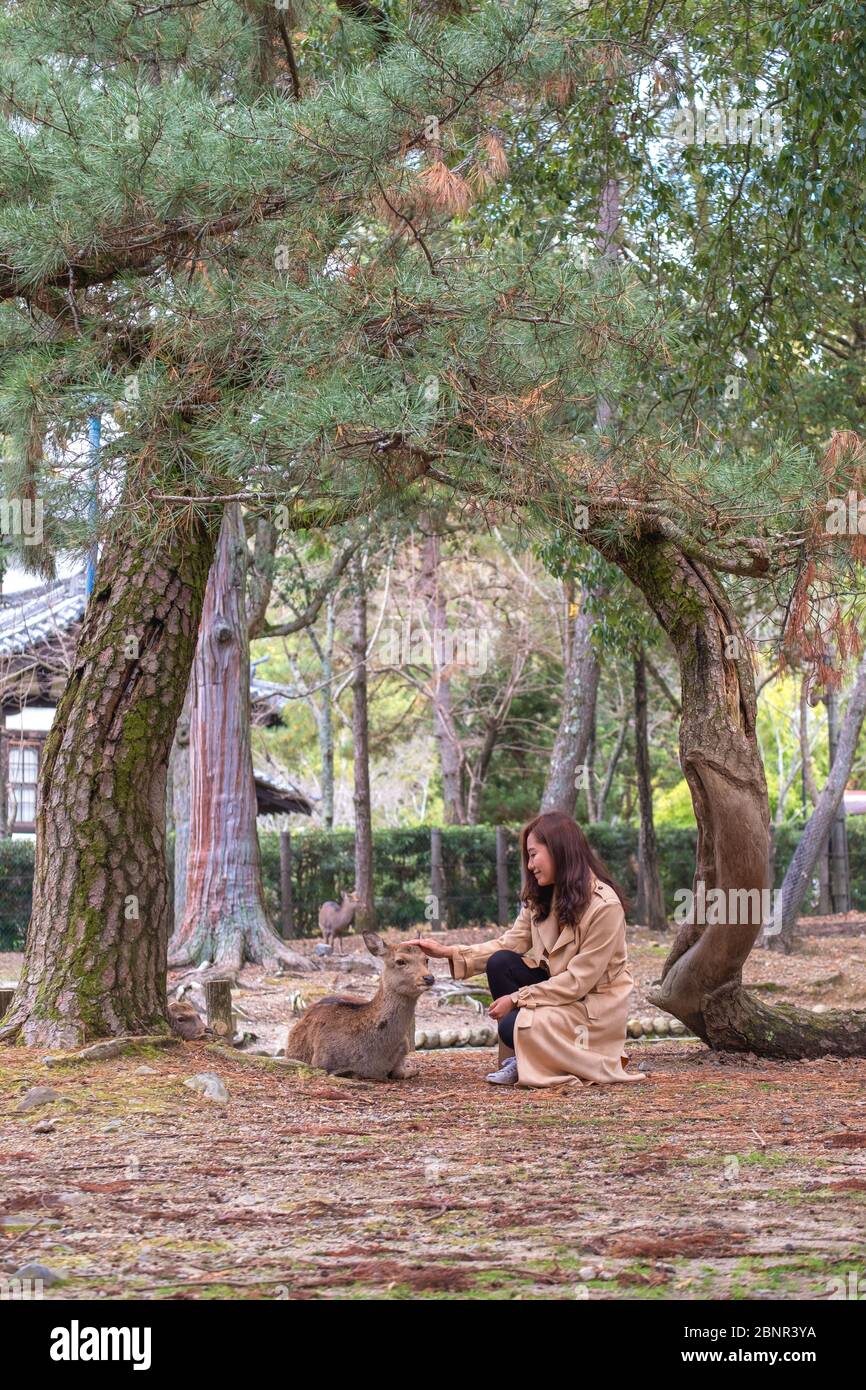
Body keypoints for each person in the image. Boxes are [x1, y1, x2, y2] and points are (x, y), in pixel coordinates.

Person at [408, 811, 648, 1089]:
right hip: (558, 993)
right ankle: (523, 1057)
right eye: (528, 857)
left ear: (559, 850)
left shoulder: (605, 906)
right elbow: (509, 944)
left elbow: (579, 981)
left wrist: (517, 998)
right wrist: (448, 952)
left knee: (512, 1026)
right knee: (501, 963)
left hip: (589, 1007)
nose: (530, 865)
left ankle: (541, 1056)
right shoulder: (542, 897)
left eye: (533, 855)